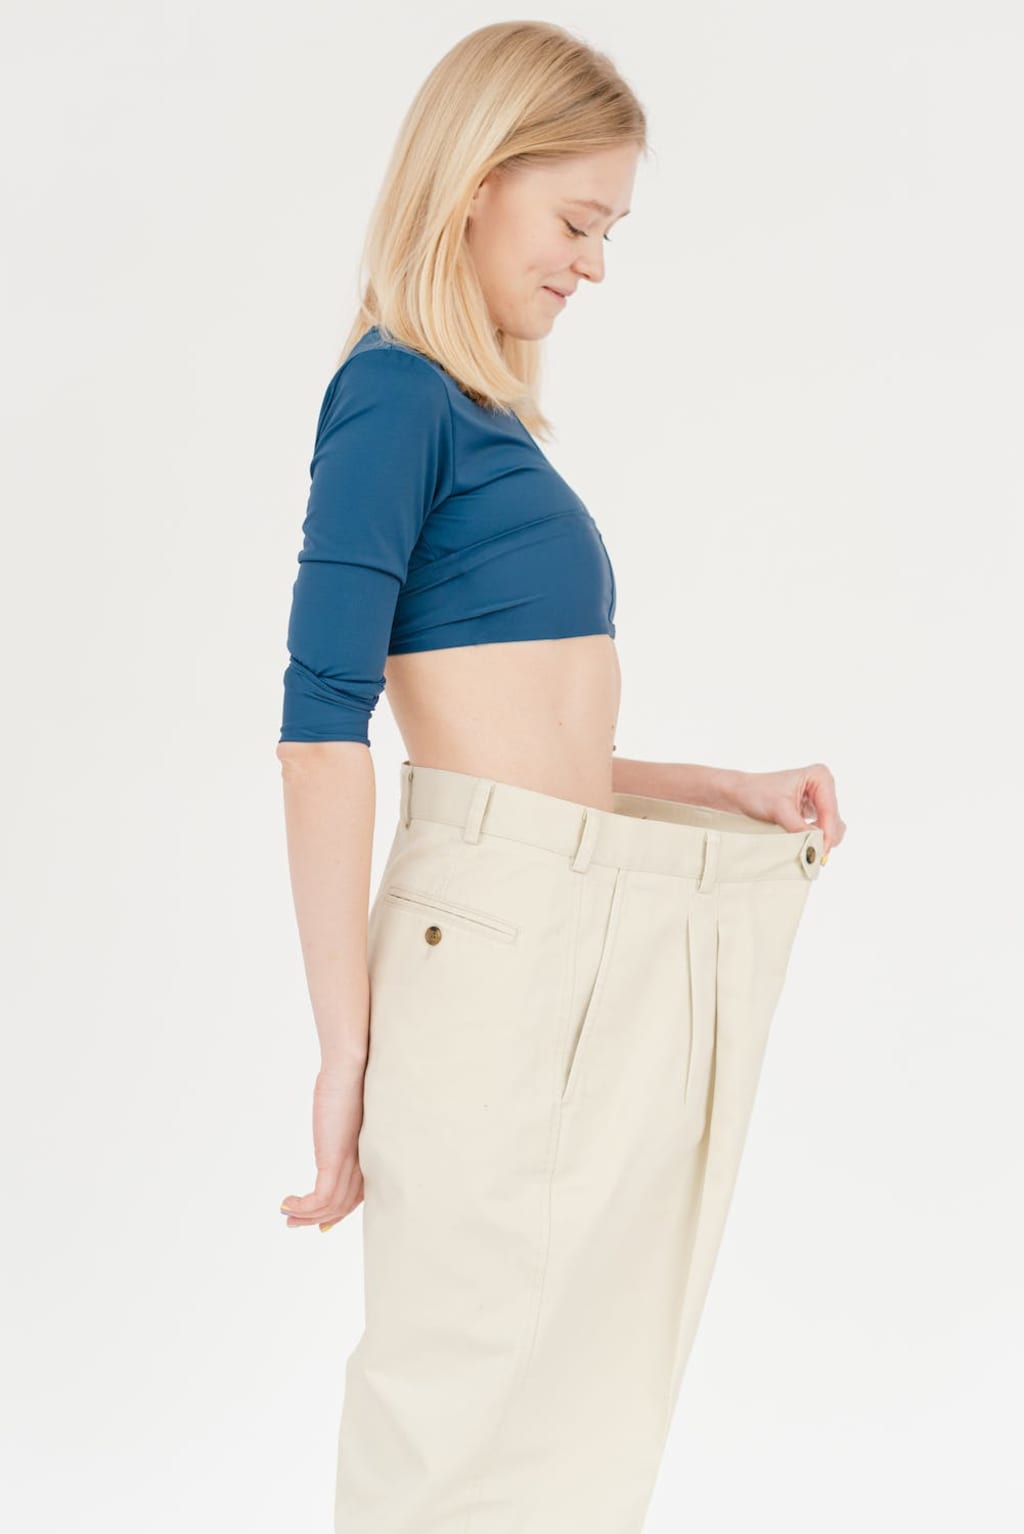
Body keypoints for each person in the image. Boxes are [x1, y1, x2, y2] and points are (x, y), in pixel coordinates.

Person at [275, 20, 846, 1534]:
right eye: (577, 221)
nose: (593, 265)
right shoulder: (393, 395)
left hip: (552, 906)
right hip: (498, 930)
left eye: (610, 232)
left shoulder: (478, 416)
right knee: (463, 1391)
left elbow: (524, 746)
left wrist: (721, 787)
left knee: (561, 1404)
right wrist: (344, 1049)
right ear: (476, 179)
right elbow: (321, 728)